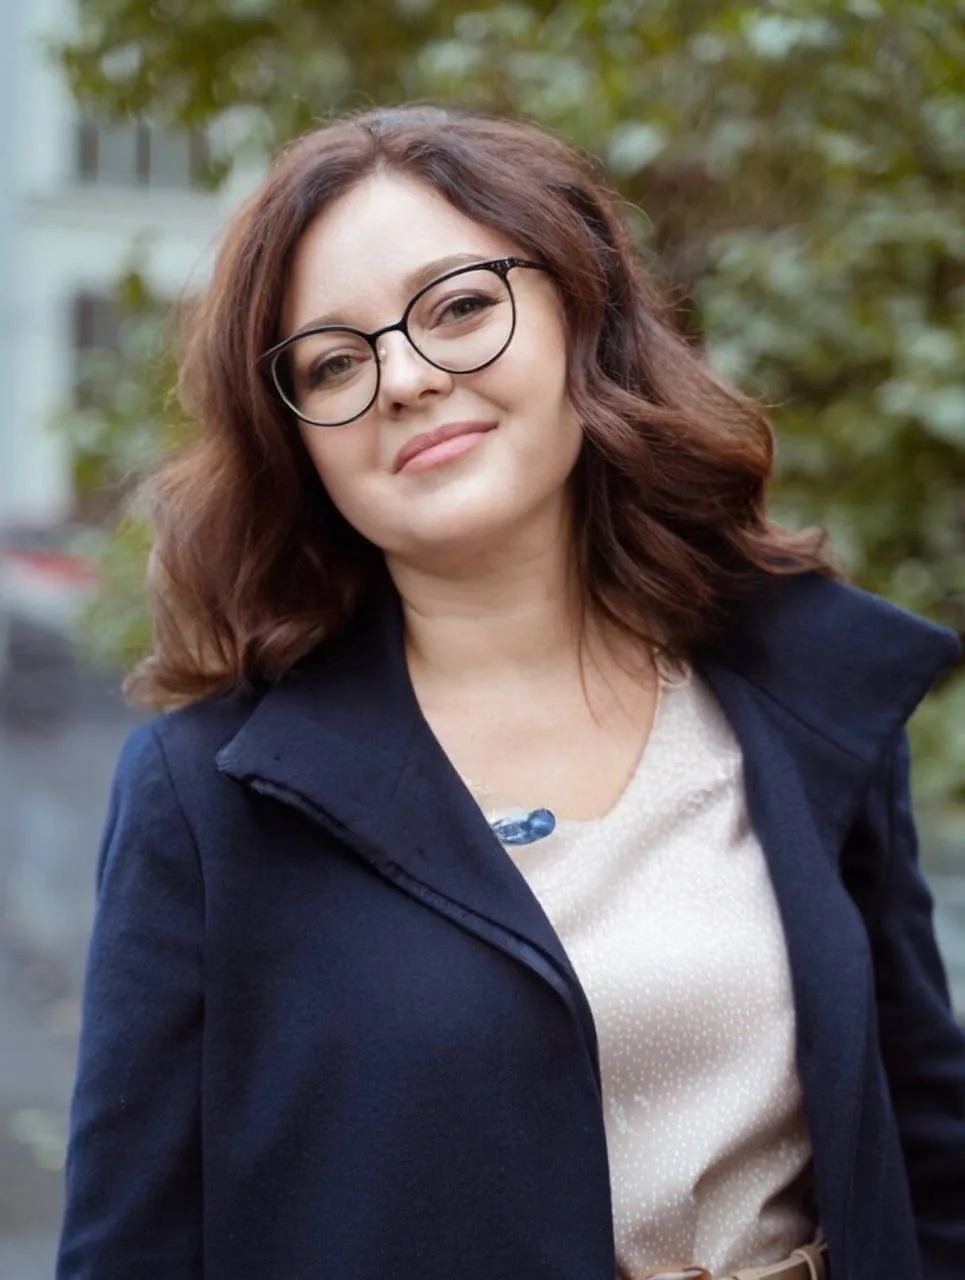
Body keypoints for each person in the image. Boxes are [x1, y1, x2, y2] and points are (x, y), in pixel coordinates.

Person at [56, 104, 965, 1280]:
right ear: (296, 441)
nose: (403, 376)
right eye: (332, 362)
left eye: (457, 306)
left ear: (581, 310)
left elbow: (928, 1158)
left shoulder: (800, 695)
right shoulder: (208, 798)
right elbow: (129, 1246)